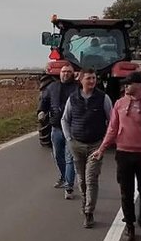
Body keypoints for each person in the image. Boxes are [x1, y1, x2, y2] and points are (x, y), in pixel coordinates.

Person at [91, 71, 141, 241]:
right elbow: (112, 128)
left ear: (140, 85)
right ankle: (130, 225)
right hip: (123, 152)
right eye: (125, 84)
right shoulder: (119, 103)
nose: (125, 86)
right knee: (126, 191)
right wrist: (102, 149)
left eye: (129, 83)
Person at [62, 68, 113, 228]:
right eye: (89, 78)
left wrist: (105, 142)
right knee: (82, 179)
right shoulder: (73, 98)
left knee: (91, 179)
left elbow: (112, 121)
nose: (92, 81)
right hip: (77, 144)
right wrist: (69, 139)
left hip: (95, 146)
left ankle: (89, 212)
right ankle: (85, 203)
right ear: (81, 80)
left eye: (94, 78)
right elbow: (65, 119)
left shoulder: (103, 98)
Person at [38, 64, 79, 198]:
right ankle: (63, 177)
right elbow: (44, 101)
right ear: (59, 74)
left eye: (68, 72)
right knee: (58, 156)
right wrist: (41, 111)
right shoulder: (52, 87)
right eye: (63, 72)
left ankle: (69, 187)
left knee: (69, 158)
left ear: (73, 74)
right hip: (55, 128)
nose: (65, 74)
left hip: (71, 129)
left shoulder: (78, 88)